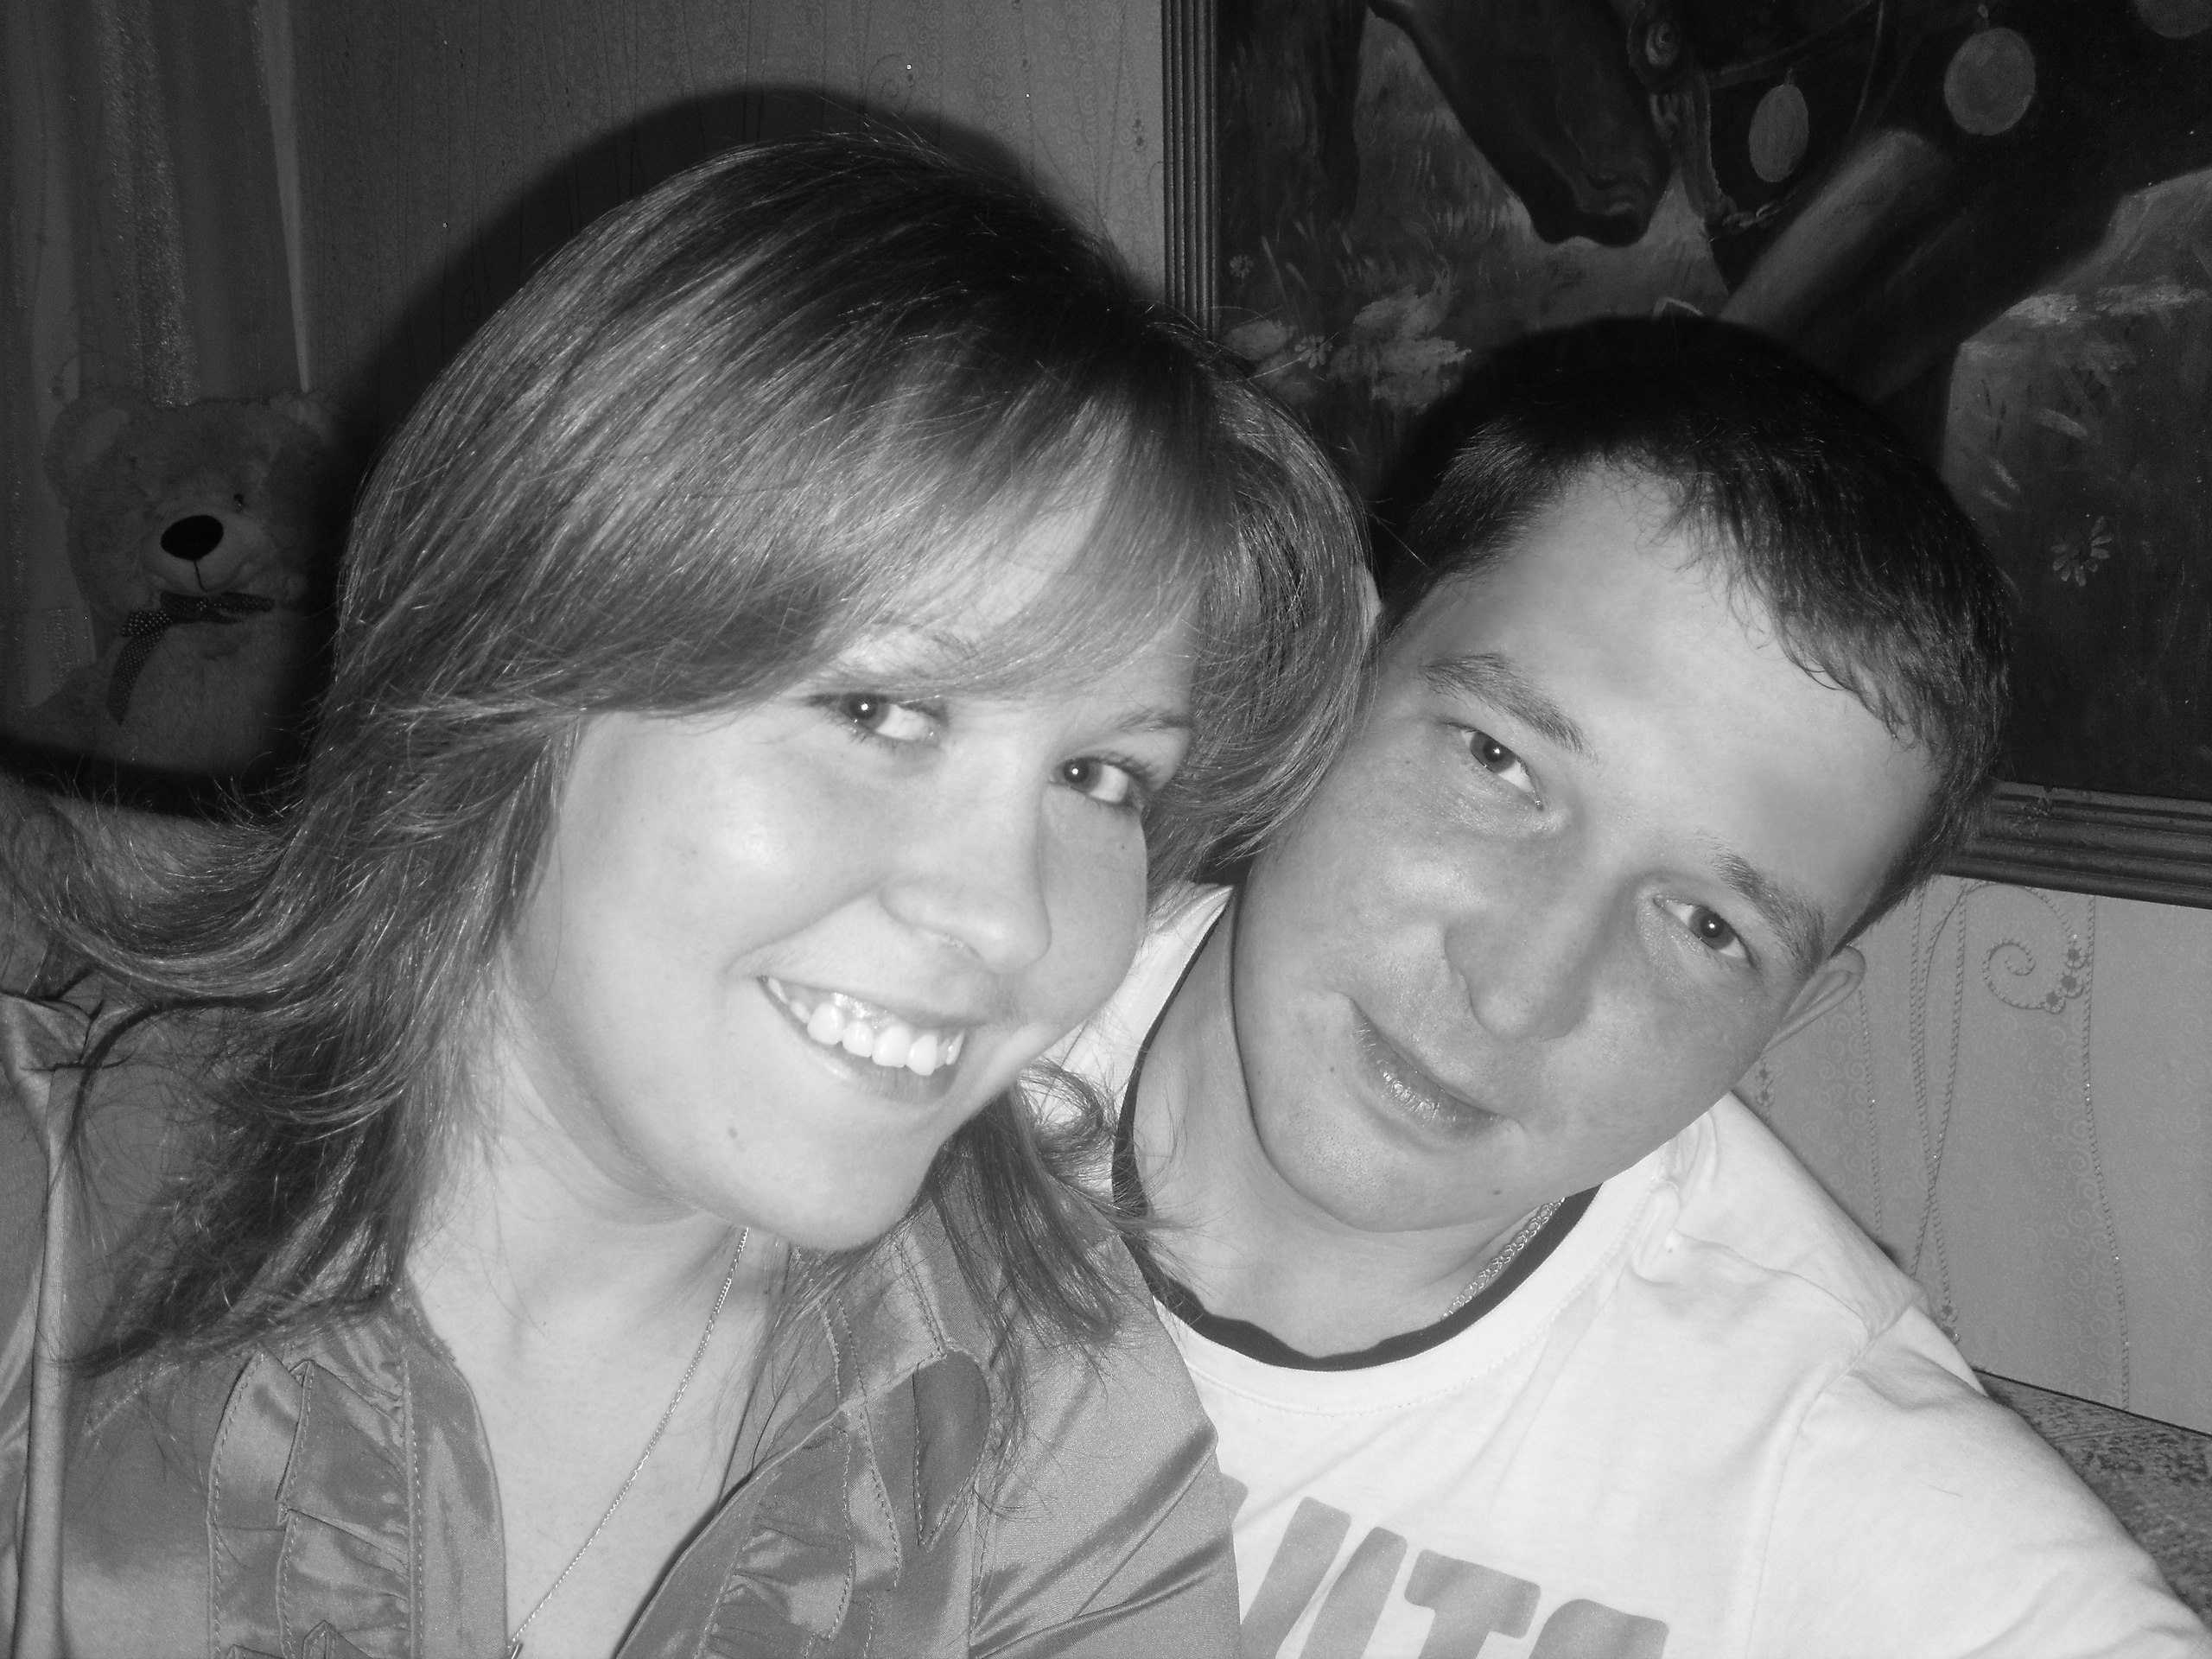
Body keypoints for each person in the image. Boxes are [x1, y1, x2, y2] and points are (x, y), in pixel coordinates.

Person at [0, 135, 1372, 1657]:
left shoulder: (1042, 1425)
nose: (1013, 923)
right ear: (514, 662)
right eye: (879, 711)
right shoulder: (51, 1230)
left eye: (1101, 777)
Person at [1061, 324, 2212, 1656]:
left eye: (1709, 927)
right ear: (1339, 669)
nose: (1518, 991)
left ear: (1793, 1009)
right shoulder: (932, 1034)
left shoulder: (1825, 1474)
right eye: (1498, 762)